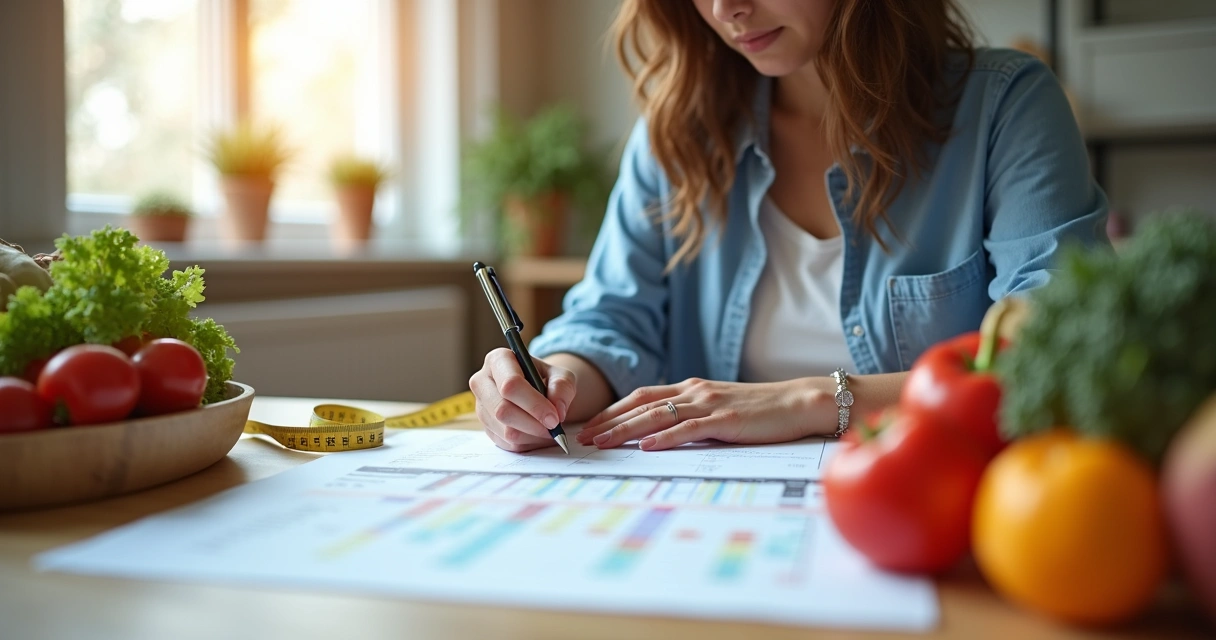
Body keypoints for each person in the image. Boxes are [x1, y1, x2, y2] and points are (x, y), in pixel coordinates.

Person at [469, 0, 1108, 453]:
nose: (726, 8)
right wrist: (548, 381)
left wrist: (811, 401)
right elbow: (610, 321)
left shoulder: (1006, 106)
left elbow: (1055, 355)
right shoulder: (675, 137)